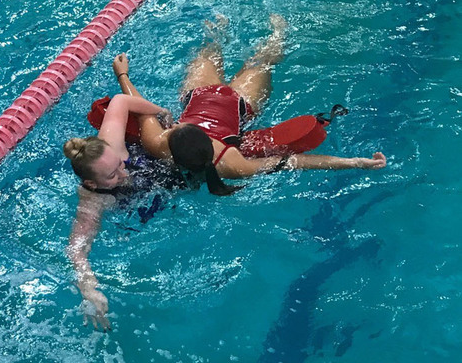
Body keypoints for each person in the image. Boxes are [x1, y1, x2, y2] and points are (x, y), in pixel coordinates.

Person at [64, 17, 387, 330]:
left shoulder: (177, 148)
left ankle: (279, 31)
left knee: (262, 59)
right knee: (218, 51)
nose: (123, 172)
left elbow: (297, 161)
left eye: (172, 125)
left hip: (239, 106)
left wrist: (357, 162)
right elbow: (77, 248)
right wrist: (88, 288)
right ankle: (226, 28)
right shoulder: (186, 150)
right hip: (200, 97)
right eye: (111, 175)